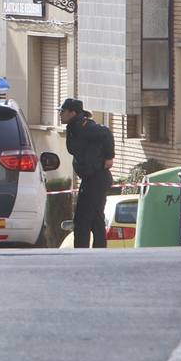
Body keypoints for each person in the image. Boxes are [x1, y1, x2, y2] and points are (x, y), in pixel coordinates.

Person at [61, 98, 115, 249]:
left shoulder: (82, 125)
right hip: (92, 177)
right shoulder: (74, 126)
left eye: (63, 111)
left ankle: (82, 252)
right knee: (96, 218)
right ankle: (99, 250)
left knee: (82, 219)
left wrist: (109, 157)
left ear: (72, 112)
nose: (60, 114)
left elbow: (106, 133)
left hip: (96, 177)